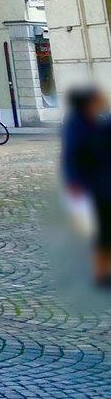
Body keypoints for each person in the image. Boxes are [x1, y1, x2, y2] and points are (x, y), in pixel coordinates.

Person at [62, 86, 111, 287]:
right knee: (105, 230)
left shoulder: (95, 121)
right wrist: (73, 181)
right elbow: (72, 154)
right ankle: (100, 273)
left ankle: (102, 272)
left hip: (103, 181)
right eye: (99, 98)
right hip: (99, 185)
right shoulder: (78, 124)